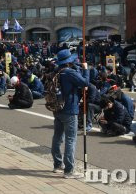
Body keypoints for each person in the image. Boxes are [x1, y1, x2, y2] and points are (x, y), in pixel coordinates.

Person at [51, 49, 88, 179]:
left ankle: (57, 164)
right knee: (70, 139)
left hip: (57, 108)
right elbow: (85, 83)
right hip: (70, 109)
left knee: (57, 137)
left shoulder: (57, 71)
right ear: (69, 61)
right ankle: (69, 170)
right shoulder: (69, 72)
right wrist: (85, 70)